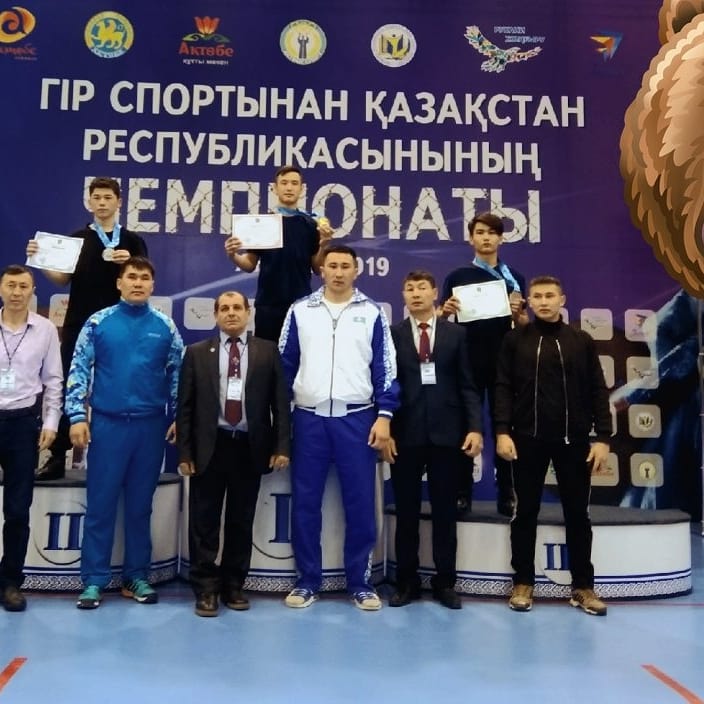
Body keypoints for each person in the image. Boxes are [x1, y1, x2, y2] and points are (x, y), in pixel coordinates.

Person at [278, 244, 399, 610]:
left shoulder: (372, 312)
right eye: (332, 265)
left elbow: (385, 368)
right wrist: (282, 418)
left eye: (346, 266)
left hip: (357, 419)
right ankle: (307, 581)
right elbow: (285, 365)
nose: (339, 272)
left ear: (356, 270)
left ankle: (360, 583)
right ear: (322, 270)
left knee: (360, 503)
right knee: (305, 503)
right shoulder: (300, 310)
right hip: (309, 418)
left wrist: (385, 415)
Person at [65, 257, 183, 610]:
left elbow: (178, 374)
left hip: (150, 427)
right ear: (119, 282)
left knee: (139, 507)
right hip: (107, 425)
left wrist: (179, 415)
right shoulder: (98, 322)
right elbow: (78, 368)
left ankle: (136, 576)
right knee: (100, 505)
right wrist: (76, 415)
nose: (138, 283)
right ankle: (94, 580)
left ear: (152, 285)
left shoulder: (165, 326)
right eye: (131, 277)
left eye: (144, 278)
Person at [494, 276, 611, 616]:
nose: (544, 301)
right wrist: (502, 431)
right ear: (529, 301)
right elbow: (502, 387)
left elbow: (598, 389)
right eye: (538, 296)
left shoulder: (581, 340)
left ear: (562, 299)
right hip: (526, 440)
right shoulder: (515, 340)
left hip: (573, 442)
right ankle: (522, 582)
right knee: (524, 513)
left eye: (550, 296)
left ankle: (583, 587)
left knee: (577, 514)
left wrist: (603, 438)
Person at [176, 290, 291, 617]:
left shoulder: (267, 351)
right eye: (224, 309)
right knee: (204, 522)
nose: (231, 313)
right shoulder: (197, 353)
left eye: (237, 308)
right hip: (209, 447)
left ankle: (233, 585)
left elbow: (280, 404)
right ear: (215, 315)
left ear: (247, 313)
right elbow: (185, 407)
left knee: (241, 520)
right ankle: (205, 588)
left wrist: (282, 446)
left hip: (249, 448)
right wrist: (185, 452)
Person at [27, 176, 148, 480]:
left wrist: (130, 263)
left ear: (119, 202)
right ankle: (57, 456)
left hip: (121, 326)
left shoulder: (132, 240)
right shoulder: (77, 239)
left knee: (121, 386)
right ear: (89, 202)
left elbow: (142, 280)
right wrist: (40, 259)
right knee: (72, 385)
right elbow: (62, 279)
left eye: (108, 197)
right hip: (79, 323)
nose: (102, 202)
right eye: (97, 197)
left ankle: (121, 457)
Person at [388, 270, 483, 610]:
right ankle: (406, 582)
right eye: (409, 288)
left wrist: (475, 428)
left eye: (422, 288)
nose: (415, 294)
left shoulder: (457, 334)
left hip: (448, 434)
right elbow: (385, 385)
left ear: (434, 294)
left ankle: (445, 583)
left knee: (445, 512)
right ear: (403, 296)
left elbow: (468, 384)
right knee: (407, 513)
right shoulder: (392, 335)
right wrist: (387, 430)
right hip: (405, 434)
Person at [440, 211, 528, 516]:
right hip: (467, 361)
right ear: (471, 239)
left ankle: (507, 493)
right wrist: (445, 311)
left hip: (505, 362)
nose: (486, 238)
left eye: (492, 233)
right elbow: (441, 323)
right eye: (480, 232)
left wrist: (519, 315)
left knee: (506, 427)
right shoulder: (457, 277)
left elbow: (524, 325)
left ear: (501, 239)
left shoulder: (514, 278)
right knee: (467, 426)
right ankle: (462, 492)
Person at [0, 265, 62, 611]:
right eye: (11, 285)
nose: (16, 292)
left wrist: (51, 422)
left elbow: (53, 379)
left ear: (32, 291)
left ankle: (11, 582)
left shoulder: (45, 329)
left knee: (17, 509)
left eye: (23, 286)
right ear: (1, 289)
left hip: (24, 424)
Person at [224, 165, 334, 342]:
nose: (289, 187)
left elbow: (316, 267)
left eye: (294, 183)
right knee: (267, 355)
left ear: (302, 189)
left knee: (299, 355)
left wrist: (324, 245)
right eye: (284, 183)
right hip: (268, 306)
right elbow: (249, 264)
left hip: (301, 305)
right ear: (275, 188)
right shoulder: (264, 223)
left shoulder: (311, 224)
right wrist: (232, 255)